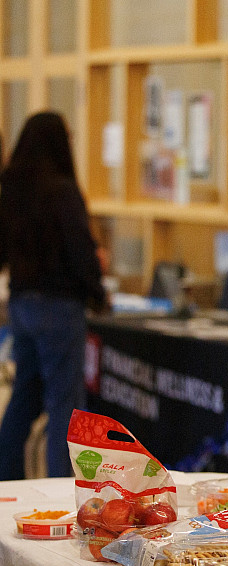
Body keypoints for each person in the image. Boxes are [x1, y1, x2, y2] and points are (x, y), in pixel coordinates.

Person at [0, 111, 108, 480]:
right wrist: (97, 293)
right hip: (59, 308)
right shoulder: (62, 191)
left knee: (24, 398)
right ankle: (62, 489)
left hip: (21, 304)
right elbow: (80, 251)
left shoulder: (11, 187)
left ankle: (6, 481)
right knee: (64, 404)